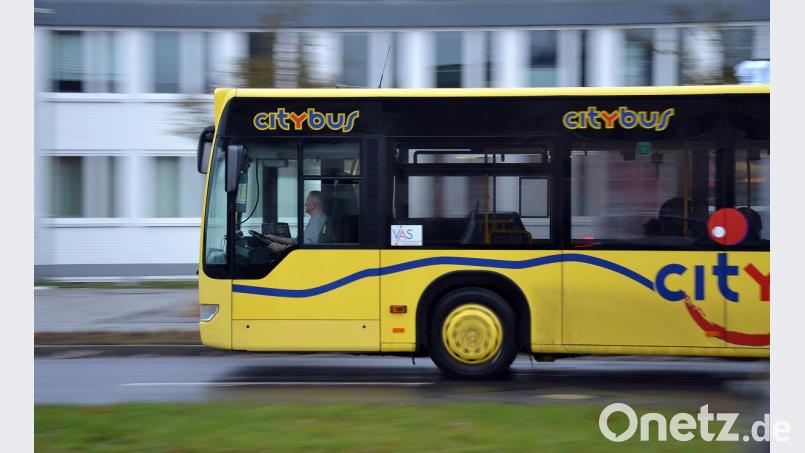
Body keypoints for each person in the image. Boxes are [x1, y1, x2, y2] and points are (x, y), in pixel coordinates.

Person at [261, 190, 328, 252]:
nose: (305, 204)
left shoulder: (317, 222)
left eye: (307, 201)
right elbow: (298, 241)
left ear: (313, 205)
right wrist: (275, 238)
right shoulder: (316, 219)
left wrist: (283, 248)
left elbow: (307, 247)